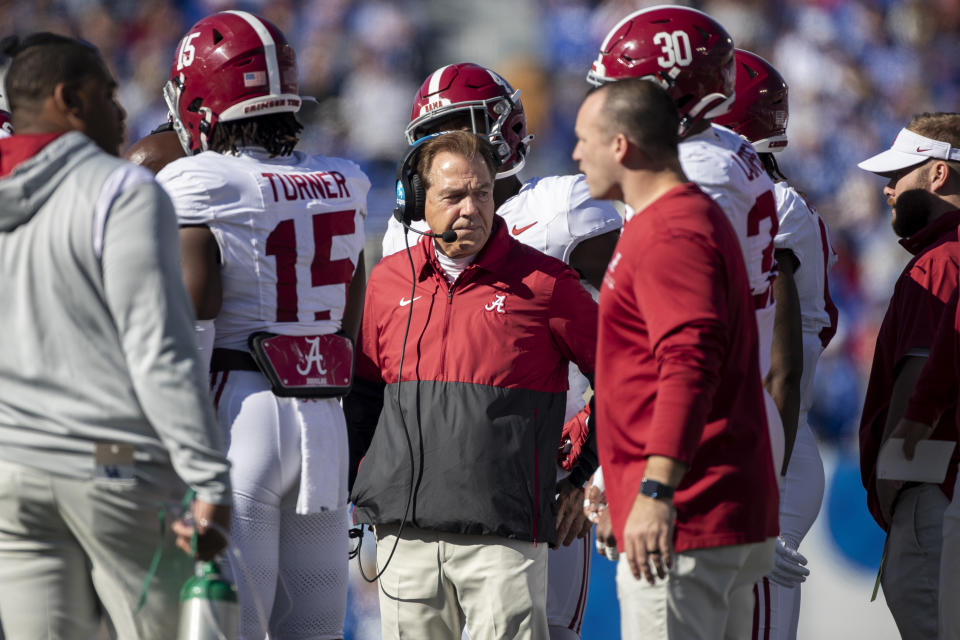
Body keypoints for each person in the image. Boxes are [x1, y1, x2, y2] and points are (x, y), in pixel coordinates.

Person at [378, 61, 621, 639]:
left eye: (461, 128)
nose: (451, 148)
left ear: (502, 131)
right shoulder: (404, 235)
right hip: (424, 493)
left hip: (541, 477)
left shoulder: (563, 209)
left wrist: (597, 462)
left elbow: (641, 331)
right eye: (435, 138)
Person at [0, 33, 232, 639]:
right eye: (108, 93)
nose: (122, 111)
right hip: (108, 461)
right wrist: (208, 476)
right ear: (69, 101)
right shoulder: (119, 188)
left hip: (12, 467)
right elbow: (158, 348)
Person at [156, 11, 369, 639]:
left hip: (238, 408)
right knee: (317, 628)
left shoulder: (200, 181)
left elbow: (195, 306)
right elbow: (348, 309)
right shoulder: (343, 181)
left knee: (228, 626)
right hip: (323, 417)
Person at [573, 76, 778, 640]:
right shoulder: (680, 218)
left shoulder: (670, 228)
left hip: (688, 512)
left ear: (620, 145)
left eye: (583, 138)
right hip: (697, 503)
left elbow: (688, 366)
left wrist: (656, 490)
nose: (574, 153)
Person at [586, 4, 799, 481]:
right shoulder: (729, 150)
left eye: (621, 92)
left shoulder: (695, 173)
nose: (605, 108)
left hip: (698, 435)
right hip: (724, 416)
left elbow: (688, 339)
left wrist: (634, 465)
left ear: (672, 96)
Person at [714, 50, 839, 640]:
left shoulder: (771, 206)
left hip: (772, 452)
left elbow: (778, 363)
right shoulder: (755, 200)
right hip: (751, 443)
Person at [856, 112, 960, 640]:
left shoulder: (940, 262)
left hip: (933, 485)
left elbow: (919, 376)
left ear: (939, 174)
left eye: (898, 175)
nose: (888, 189)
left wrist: (893, 480)